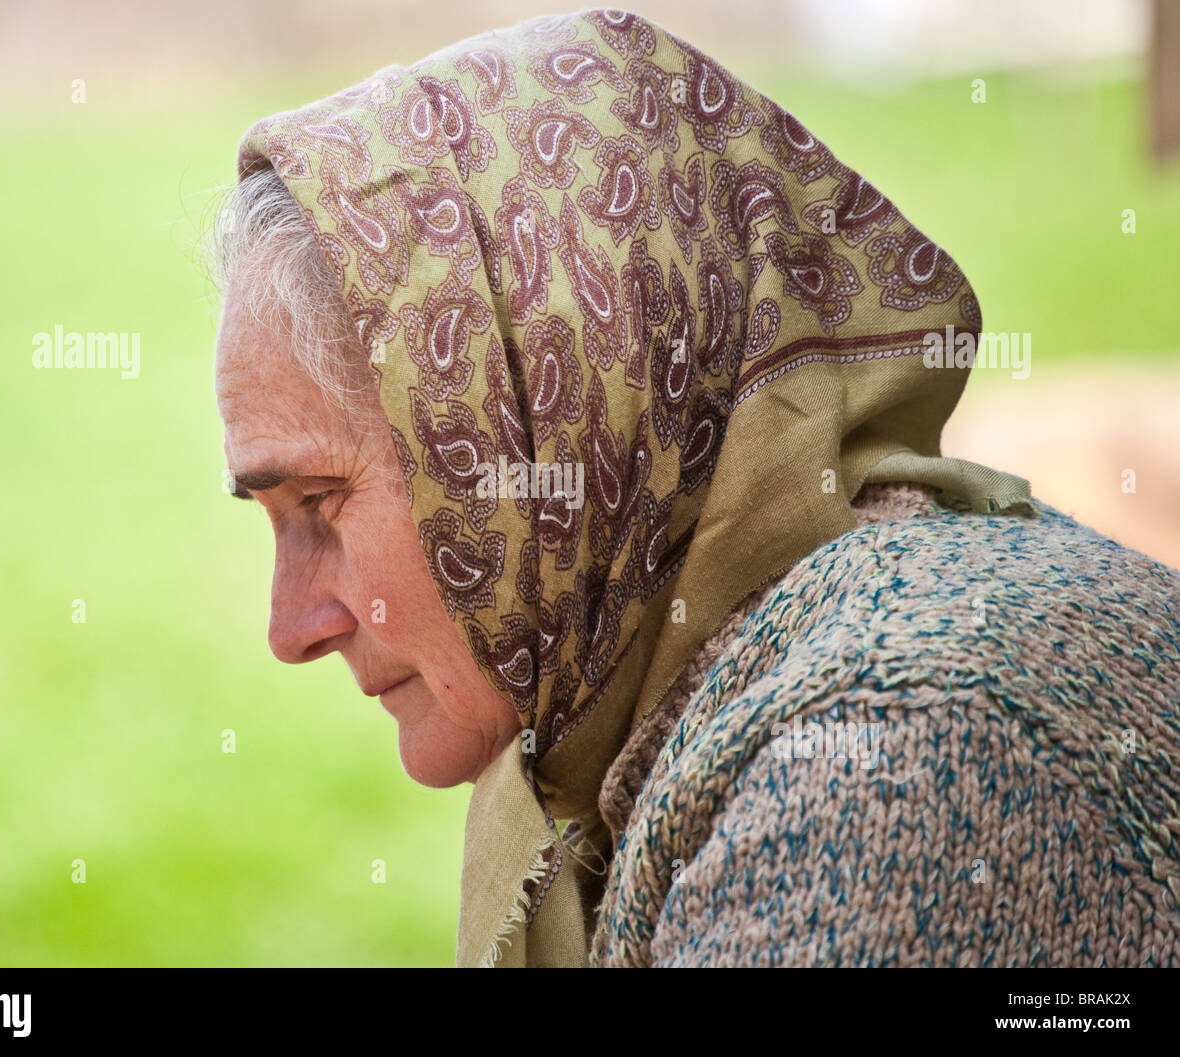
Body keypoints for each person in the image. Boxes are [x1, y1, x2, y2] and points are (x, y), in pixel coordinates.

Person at [211, 9, 1180, 967]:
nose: (289, 628)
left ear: (543, 417)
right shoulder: (697, 710)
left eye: (319, 505)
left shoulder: (875, 758)